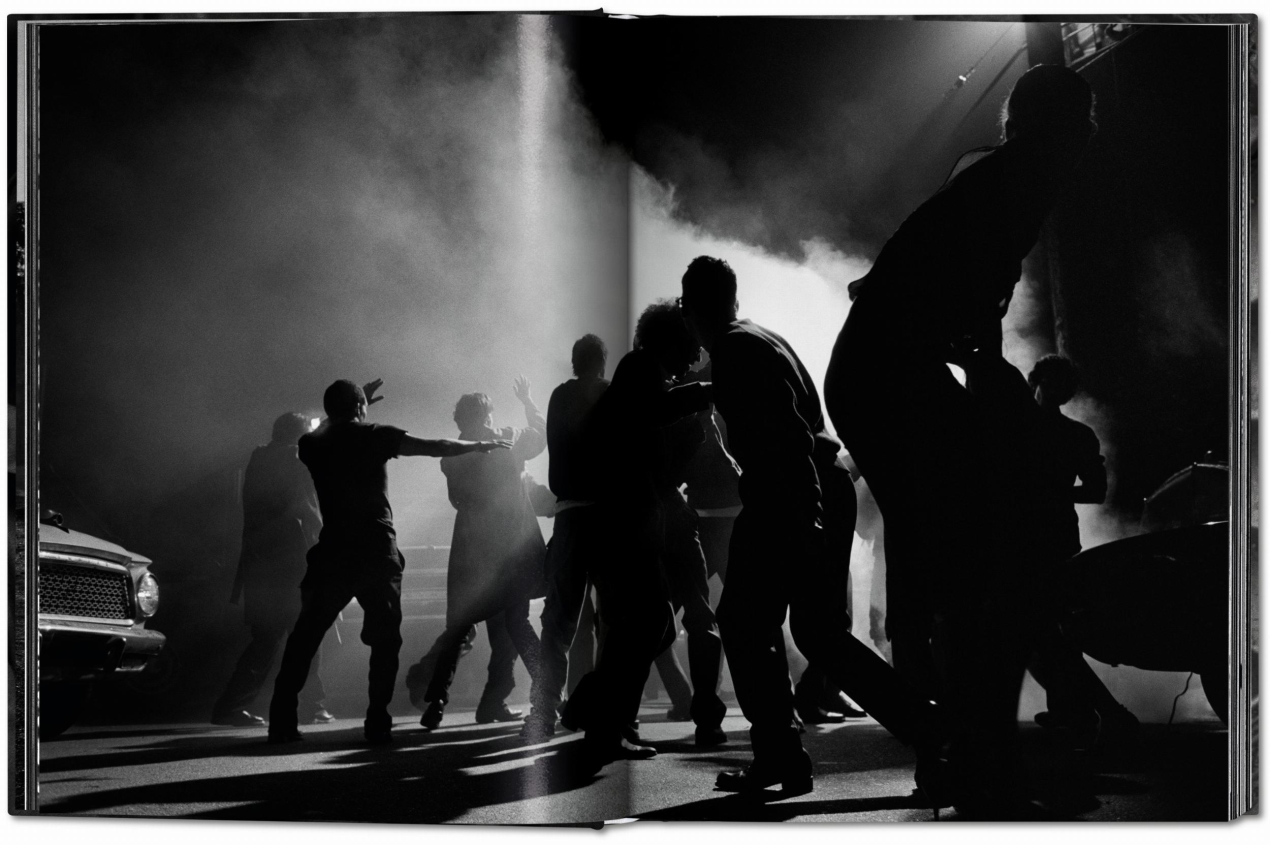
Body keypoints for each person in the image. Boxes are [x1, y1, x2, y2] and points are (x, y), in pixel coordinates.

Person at [823, 65, 1097, 816]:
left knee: (958, 571)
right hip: (886, 374)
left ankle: (959, 753)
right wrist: (997, 405)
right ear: (1059, 128)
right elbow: (970, 319)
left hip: (878, 371)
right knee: (977, 570)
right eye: (1082, 123)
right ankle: (976, 760)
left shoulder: (999, 177)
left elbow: (949, 305)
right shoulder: (1018, 184)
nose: (1088, 139)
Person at [679, 256, 939, 799]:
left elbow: (787, 432)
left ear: (690, 308)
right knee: (817, 633)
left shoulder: (733, 349)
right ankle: (931, 732)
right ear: (733, 299)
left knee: (744, 621)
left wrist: (808, 512)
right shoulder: (758, 337)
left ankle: (782, 754)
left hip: (789, 491)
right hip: (814, 485)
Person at [266, 379, 509, 745]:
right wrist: (477, 445)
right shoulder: (375, 436)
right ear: (360, 407)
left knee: (305, 636)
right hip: (376, 552)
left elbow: (330, 429)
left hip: (333, 551)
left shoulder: (311, 444)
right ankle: (377, 718)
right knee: (385, 641)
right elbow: (435, 446)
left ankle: (281, 720)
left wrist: (353, 404)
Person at [562, 299, 713, 764]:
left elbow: (661, 461)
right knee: (647, 622)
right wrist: (708, 391)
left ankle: (601, 717)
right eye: (689, 347)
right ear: (670, 340)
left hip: (630, 520)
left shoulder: (642, 374)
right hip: (622, 522)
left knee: (647, 623)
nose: (694, 357)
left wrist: (693, 428)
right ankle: (596, 714)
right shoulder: (639, 367)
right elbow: (658, 411)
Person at [405, 378, 547, 730]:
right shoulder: (507, 439)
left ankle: (436, 701)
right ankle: (547, 692)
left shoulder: (452, 454)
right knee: (517, 623)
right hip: (508, 546)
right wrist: (528, 401)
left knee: (458, 628)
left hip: (471, 546)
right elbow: (540, 435)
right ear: (487, 415)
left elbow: (456, 500)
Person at [212, 412, 330, 728]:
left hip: (265, 566)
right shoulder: (293, 458)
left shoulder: (261, 459)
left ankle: (234, 706)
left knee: (270, 638)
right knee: (301, 634)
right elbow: (304, 507)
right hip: (292, 564)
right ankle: (310, 706)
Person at [522, 335, 609, 740]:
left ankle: (543, 713)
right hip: (608, 516)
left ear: (574, 363)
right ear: (602, 363)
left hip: (570, 516)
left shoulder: (559, 396)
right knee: (615, 619)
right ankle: (609, 712)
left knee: (557, 621)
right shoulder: (610, 393)